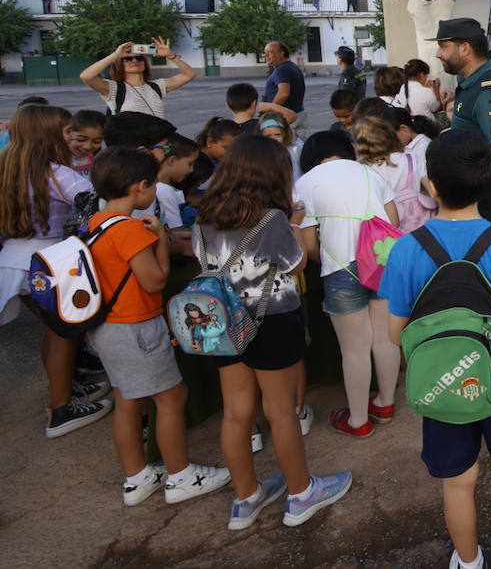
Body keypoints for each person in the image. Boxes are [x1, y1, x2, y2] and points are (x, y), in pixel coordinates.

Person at [380, 130, 491, 569]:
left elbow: (396, 335)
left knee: (457, 481)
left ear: (431, 184)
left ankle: (468, 561)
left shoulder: (406, 250)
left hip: (440, 381)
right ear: (490, 180)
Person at [195, 136, 351, 529]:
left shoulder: (205, 216)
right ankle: (302, 494)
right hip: (271, 320)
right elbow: (296, 265)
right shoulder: (271, 219)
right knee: (281, 412)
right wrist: (296, 223)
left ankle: (245, 499)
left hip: (222, 322)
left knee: (236, 414)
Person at [85, 147, 231, 506]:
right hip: (137, 326)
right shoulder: (132, 230)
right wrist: (161, 243)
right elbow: (154, 281)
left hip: (106, 328)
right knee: (171, 397)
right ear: (140, 187)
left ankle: (137, 477)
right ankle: (181, 476)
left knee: (127, 400)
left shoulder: (96, 222)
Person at [0, 104, 112, 437]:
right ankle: (60, 411)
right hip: (49, 261)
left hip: (13, 259)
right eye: (66, 131)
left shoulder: (6, 164)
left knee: (53, 332)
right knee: (64, 334)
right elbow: (97, 203)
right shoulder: (56, 173)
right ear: (49, 133)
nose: (70, 138)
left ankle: (64, 389)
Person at [292, 131, 400, 439]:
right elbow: (393, 221)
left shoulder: (305, 183)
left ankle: (358, 420)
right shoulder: (370, 172)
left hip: (341, 268)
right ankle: (386, 404)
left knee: (354, 349)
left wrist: (323, 260)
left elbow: (309, 243)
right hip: (382, 261)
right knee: (385, 338)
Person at [431, 18, 491, 232]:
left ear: (465, 48)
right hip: (486, 187)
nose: (438, 54)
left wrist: (462, 180)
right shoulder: (473, 82)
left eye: (443, 47)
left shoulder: (487, 91)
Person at [80, 37, 198, 118]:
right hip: (131, 148)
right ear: (119, 64)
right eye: (128, 59)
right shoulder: (113, 88)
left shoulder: (157, 86)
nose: (135, 60)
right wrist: (116, 55)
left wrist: (171, 56)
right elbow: (86, 76)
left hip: (156, 146)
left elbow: (189, 74)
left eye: (139, 58)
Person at [354, 116, 436, 232]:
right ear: (389, 135)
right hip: (417, 222)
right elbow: (432, 191)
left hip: (387, 226)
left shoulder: (363, 170)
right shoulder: (410, 159)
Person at [263, 41, 308, 137]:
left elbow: (283, 93)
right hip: (299, 113)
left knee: (284, 149)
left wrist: (270, 110)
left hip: (286, 118)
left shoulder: (281, 70)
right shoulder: (292, 67)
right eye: (265, 52)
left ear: (281, 53)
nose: (266, 55)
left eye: (270, 52)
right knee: (299, 149)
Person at [225, 82, 297, 135]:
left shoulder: (223, 128)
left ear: (227, 105)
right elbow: (292, 116)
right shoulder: (263, 125)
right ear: (254, 103)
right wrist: (270, 106)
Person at [66, 109, 106, 176]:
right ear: (67, 134)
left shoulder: (101, 162)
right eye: (80, 140)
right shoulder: (55, 162)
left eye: (97, 141)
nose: (88, 146)